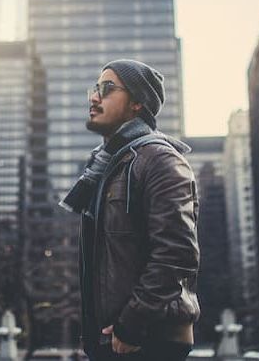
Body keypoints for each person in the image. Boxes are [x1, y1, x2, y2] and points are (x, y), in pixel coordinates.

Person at [60, 59, 200, 361]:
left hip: (146, 341)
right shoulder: (106, 168)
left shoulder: (159, 160)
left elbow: (176, 256)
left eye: (107, 89)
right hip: (112, 341)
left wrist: (131, 325)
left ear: (137, 102)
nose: (93, 97)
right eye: (95, 89)